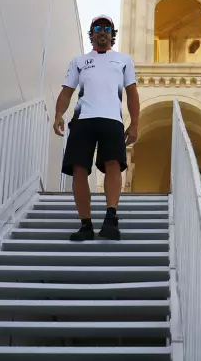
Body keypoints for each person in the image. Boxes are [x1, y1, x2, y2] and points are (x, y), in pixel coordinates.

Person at [53, 15, 139, 241]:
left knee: (114, 165)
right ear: (91, 34)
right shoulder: (79, 61)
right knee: (79, 168)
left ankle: (111, 218)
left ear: (112, 34)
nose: (103, 31)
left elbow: (132, 93)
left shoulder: (123, 60)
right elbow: (66, 91)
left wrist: (135, 124)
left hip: (112, 120)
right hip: (83, 119)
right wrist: (59, 114)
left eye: (107, 28)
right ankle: (86, 224)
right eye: (98, 28)